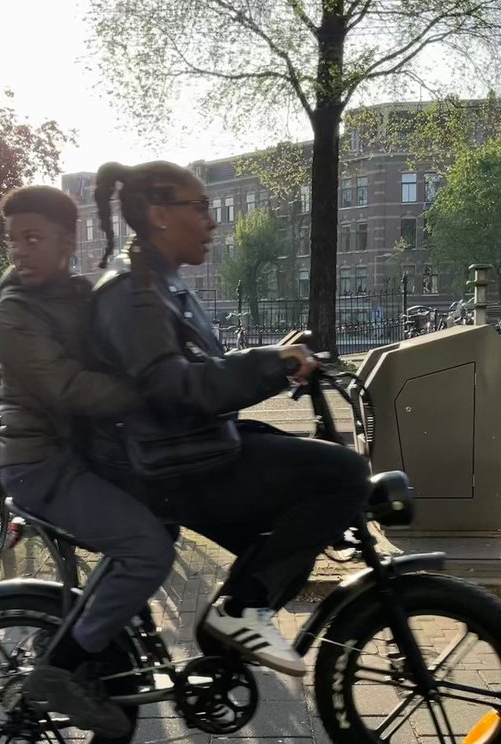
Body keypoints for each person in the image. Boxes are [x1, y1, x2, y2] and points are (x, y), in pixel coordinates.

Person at [84, 160, 372, 677]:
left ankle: (221, 661)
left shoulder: (163, 284)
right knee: (342, 475)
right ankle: (237, 615)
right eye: (201, 207)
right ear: (160, 215)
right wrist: (267, 365)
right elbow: (171, 388)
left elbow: (201, 378)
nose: (212, 221)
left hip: (185, 452)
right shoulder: (132, 292)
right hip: (167, 467)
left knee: (285, 532)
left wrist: (274, 359)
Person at [0, 185, 175, 738]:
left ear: (68, 242)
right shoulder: (15, 313)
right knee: (147, 550)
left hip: (79, 457)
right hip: (42, 466)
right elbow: (68, 387)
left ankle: (110, 641)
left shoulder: (75, 294)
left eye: (32, 238)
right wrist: (150, 390)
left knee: (173, 503)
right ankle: (63, 668)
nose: (19, 251)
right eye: (12, 240)